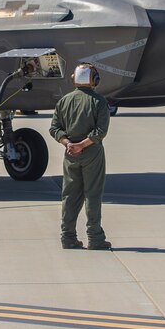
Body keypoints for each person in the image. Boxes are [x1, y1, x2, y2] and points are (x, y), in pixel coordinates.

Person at [49, 63, 112, 250]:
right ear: (95, 80)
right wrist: (82, 145)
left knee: (69, 196)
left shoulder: (64, 101)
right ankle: (95, 238)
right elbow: (101, 131)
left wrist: (69, 144)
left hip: (70, 154)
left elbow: (54, 128)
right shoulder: (99, 102)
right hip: (92, 153)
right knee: (92, 194)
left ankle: (68, 237)